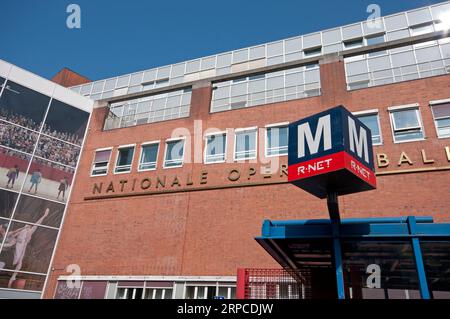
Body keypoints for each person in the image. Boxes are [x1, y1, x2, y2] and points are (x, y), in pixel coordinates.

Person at [1, 208, 49, 288]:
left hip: (15, 255)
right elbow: (11, 237)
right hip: (12, 253)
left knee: (14, 260)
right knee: (8, 257)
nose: (28, 227)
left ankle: (11, 277)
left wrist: (44, 216)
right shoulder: (19, 235)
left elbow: (36, 225)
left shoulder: (26, 237)